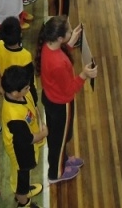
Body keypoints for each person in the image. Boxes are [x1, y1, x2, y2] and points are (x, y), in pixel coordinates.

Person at [36, 16, 97, 183]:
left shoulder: (48, 47)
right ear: (60, 38)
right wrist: (84, 75)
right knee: (59, 138)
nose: (72, 31)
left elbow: (59, 55)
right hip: (61, 104)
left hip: (51, 98)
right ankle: (55, 174)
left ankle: (62, 159)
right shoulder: (59, 63)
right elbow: (69, 88)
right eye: (70, 31)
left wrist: (70, 44)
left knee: (57, 136)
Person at [1, 65, 47, 207]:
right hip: (20, 151)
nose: (30, 89)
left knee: (25, 175)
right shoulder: (14, 116)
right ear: (15, 93)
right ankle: (23, 201)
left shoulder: (22, 95)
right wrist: (44, 133)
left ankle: (24, 190)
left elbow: (32, 107)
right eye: (27, 87)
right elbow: (27, 139)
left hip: (26, 146)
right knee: (21, 177)